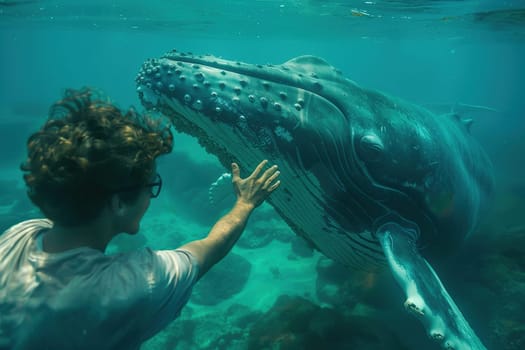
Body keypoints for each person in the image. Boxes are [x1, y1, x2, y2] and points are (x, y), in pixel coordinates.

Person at [0, 87, 281, 349]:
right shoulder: (130, 287)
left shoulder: (20, 234)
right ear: (119, 203)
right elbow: (209, 248)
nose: (151, 196)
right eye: (151, 186)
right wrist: (245, 203)